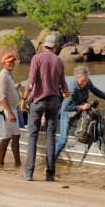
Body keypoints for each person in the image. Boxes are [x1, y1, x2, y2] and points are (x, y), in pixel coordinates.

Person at [20, 33, 70, 181]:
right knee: (50, 137)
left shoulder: (37, 58)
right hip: (54, 102)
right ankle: (50, 175)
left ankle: (29, 173)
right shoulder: (59, 61)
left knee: (33, 136)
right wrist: (67, 94)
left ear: (43, 45)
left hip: (38, 101)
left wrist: (24, 99)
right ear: (55, 47)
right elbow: (64, 87)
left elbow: (30, 82)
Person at [55, 65, 105, 157]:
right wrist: (81, 107)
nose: (84, 83)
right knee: (63, 140)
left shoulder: (87, 82)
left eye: (86, 81)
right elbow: (65, 108)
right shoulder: (72, 89)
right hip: (68, 113)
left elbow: (95, 90)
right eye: (82, 82)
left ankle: (93, 140)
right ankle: (50, 164)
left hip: (81, 109)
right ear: (77, 79)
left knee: (98, 122)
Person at [0, 52, 23, 168]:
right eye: (9, 62)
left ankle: (18, 163)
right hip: (7, 111)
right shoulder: (2, 76)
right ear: (4, 63)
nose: (12, 63)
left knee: (16, 136)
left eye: (13, 61)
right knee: (6, 137)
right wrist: (10, 113)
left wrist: (15, 87)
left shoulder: (9, 75)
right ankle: (0, 163)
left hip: (13, 109)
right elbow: (1, 96)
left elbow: (8, 90)